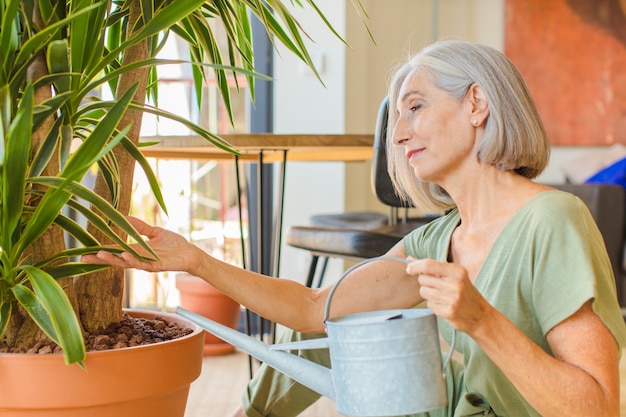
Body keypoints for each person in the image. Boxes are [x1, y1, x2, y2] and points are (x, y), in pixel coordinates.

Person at [82, 40, 626, 417]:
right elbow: (313, 308)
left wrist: (481, 321)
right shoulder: (438, 239)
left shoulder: (552, 220)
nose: (399, 134)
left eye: (415, 107)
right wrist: (193, 259)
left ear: (478, 103)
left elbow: (597, 406)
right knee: (341, 317)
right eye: (397, 119)